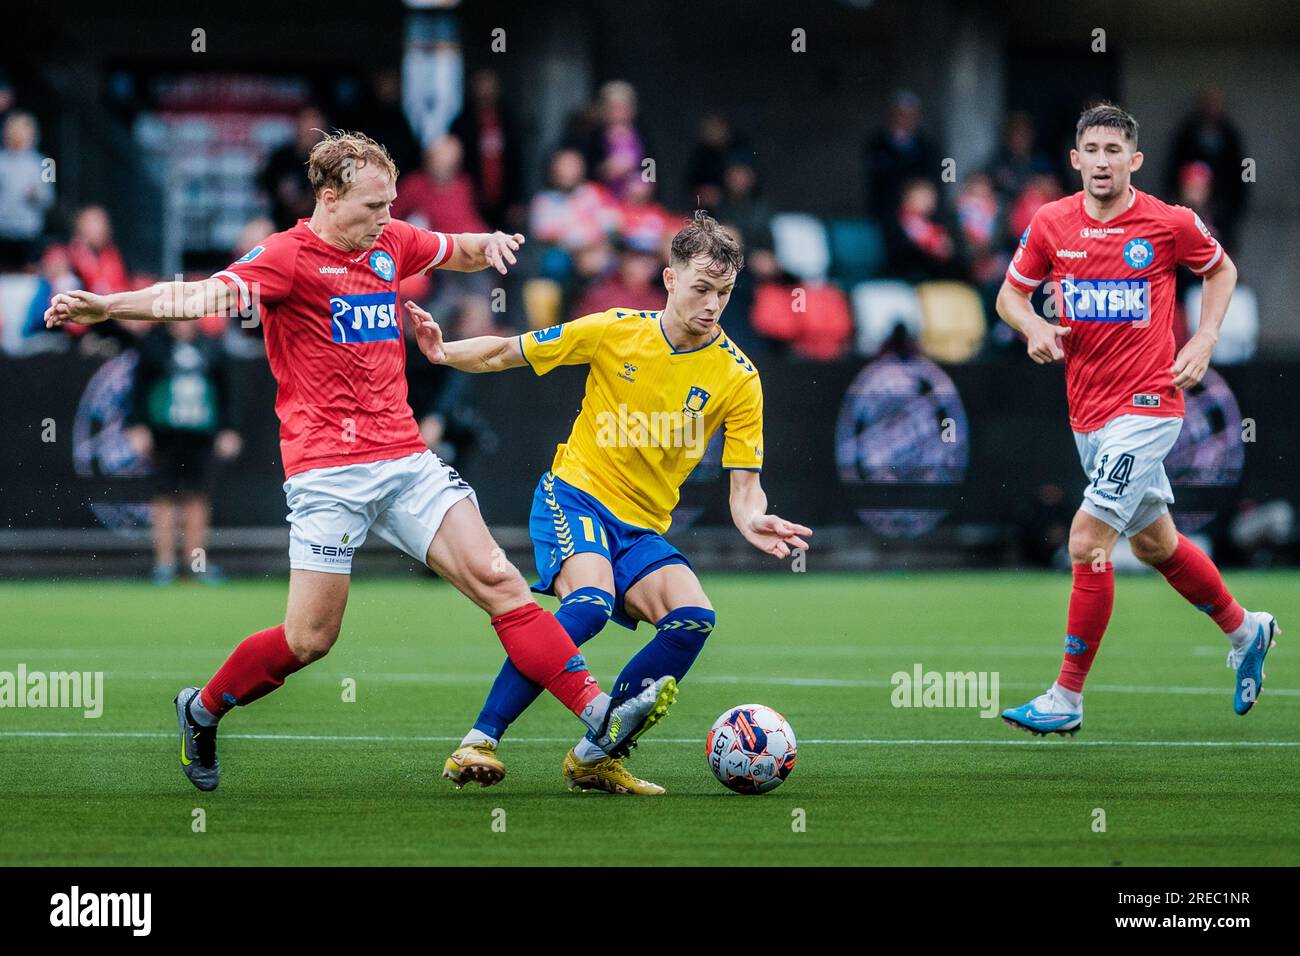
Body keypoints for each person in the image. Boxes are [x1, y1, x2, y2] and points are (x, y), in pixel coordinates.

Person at [44, 131, 678, 793]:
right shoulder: (286, 258)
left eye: (391, 203)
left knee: (502, 584)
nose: (387, 216)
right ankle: (201, 710)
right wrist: (107, 305)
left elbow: (451, 249)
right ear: (328, 198)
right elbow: (199, 297)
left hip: (405, 459)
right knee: (310, 640)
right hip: (327, 474)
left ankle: (600, 715)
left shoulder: (390, 241)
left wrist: (487, 243)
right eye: (374, 205)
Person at [414, 211, 810, 794]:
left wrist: (753, 519)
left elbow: (745, 485)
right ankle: (479, 739)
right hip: (574, 496)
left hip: (641, 528)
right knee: (591, 603)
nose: (712, 305)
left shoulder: (738, 377)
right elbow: (505, 352)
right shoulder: (615, 329)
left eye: (724, 293)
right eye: (701, 288)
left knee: (693, 618)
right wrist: (444, 352)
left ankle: (596, 755)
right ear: (670, 279)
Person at [995, 103, 1278, 735]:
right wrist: (1034, 325)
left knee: (1086, 541)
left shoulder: (1168, 222)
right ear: (1075, 159)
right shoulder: (1050, 222)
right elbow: (1010, 295)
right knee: (1155, 545)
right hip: (1088, 415)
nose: (1102, 162)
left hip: (1150, 406)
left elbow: (1221, 269)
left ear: (1135, 160)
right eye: (1092, 150)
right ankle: (1246, 630)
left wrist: (1204, 337)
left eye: (1114, 151)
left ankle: (1066, 698)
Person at [125, 320, 242, 585]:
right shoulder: (153, 347)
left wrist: (229, 428)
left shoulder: (212, 347)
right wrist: (137, 425)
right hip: (164, 433)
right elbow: (138, 388)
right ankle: (164, 564)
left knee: (197, 497)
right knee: (164, 496)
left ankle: (196, 563)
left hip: (200, 433)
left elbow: (227, 390)